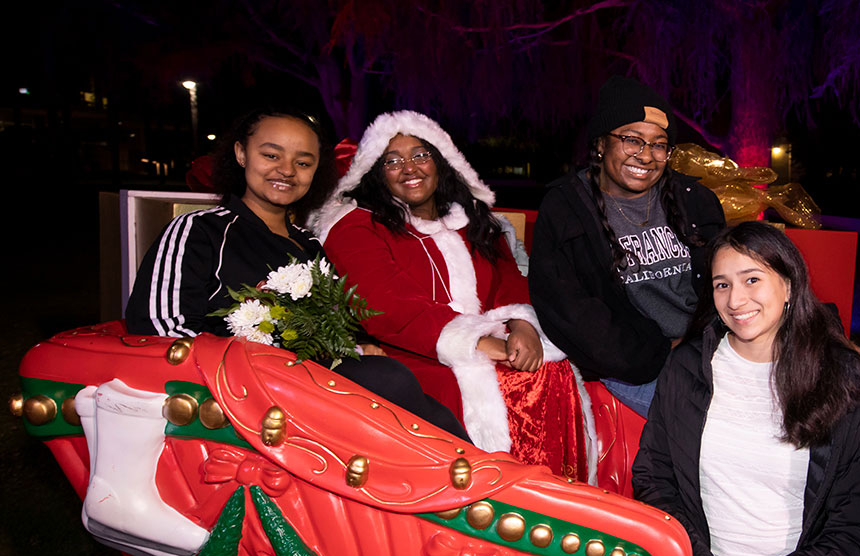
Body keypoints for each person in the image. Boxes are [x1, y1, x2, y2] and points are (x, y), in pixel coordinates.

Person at [631, 222, 860, 556]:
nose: (736, 300)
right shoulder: (687, 368)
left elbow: (855, 523)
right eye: (722, 284)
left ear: (788, 284)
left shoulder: (840, 376)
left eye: (752, 279)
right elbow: (655, 479)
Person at [125, 107, 469, 442]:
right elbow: (159, 328)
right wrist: (257, 361)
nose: (287, 171)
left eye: (303, 163)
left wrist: (362, 344)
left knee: (396, 375)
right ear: (241, 154)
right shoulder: (199, 230)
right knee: (386, 379)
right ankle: (471, 480)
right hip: (236, 392)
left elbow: (344, 325)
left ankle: (471, 474)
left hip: (310, 388)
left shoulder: (309, 245)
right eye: (272, 156)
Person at [308, 111, 594, 481]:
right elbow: (384, 304)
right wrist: (476, 342)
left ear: (442, 160)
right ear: (375, 171)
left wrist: (522, 322)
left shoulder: (471, 218)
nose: (409, 167)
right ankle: (495, 503)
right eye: (392, 160)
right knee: (518, 380)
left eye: (420, 155)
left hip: (489, 338)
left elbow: (507, 276)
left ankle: (561, 503)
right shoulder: (357, 225)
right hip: (409, 352)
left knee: (551, 367)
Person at [528, 76, 726, 417]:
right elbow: (570, 312)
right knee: (714, 430)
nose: (646, 156)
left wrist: (711, 345)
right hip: (636, 364)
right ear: (601, 144)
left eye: (659, 144)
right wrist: (662, 352)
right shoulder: (567, 209)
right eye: (632, 140)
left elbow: (726, 282)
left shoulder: (694, 200)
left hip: (709, 351)